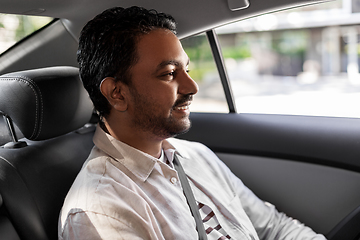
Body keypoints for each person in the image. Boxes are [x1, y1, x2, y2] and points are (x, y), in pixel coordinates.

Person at [58, 6, 327, 240]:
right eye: (169, 74)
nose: (192, 86)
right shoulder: (100, 212)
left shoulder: (196, 155)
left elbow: (273, 228)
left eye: (187, 69)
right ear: (117, 94)